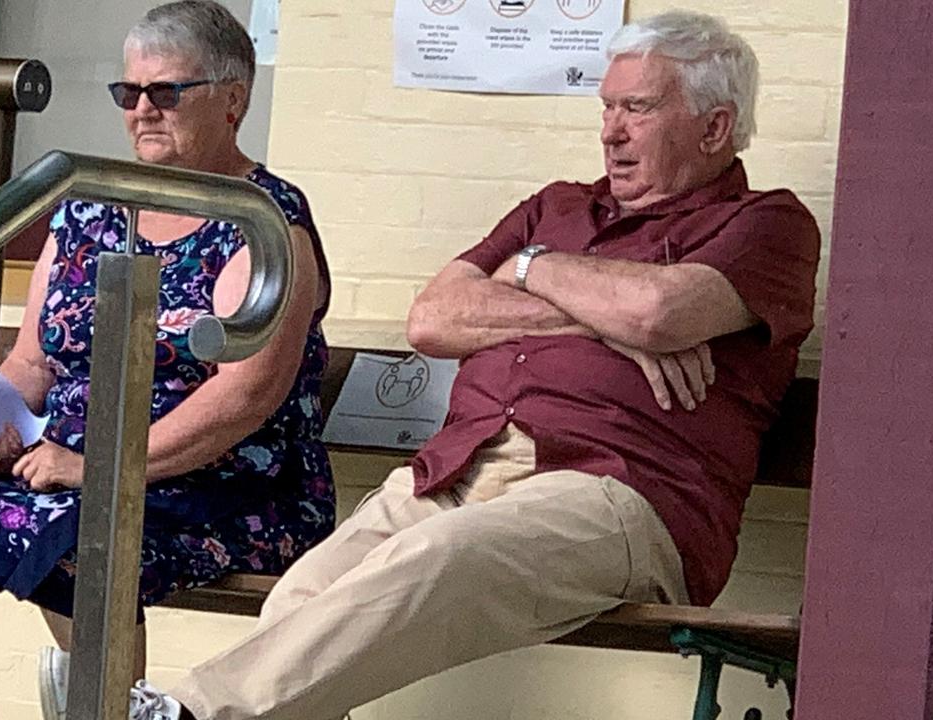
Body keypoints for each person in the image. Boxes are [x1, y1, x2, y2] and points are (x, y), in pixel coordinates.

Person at [112, 9, 821, 720]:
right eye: (607, 106)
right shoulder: (556, 210)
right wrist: (587, 304)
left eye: (637, 108)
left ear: (715, 128)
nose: (610, 130)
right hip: (458, 468)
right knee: (304, 594)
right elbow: (434, 319)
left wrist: (531, 276)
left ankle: (188, 713)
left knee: (433, 559)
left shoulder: (767, 227)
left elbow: (659, 315)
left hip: (620, 493)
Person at [0, 2, 337, 719]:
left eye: (166, 93)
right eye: (130, 94)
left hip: (222, 489)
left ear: (233, 98)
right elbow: (34, 361)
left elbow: (243, 402)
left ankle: (104, 708)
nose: (143, 111)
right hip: (71, 471)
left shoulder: (264, 223)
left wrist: (98, 465)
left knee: (74, 531)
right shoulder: (89, 208)